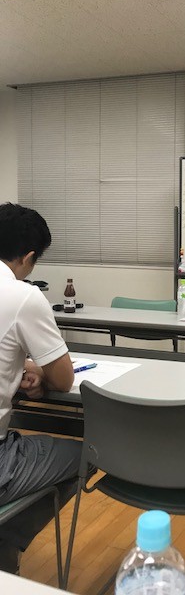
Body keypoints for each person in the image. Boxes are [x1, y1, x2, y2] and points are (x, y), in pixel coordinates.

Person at [0, 202, 82, 574]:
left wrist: (19, 368)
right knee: (86, 456)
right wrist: (39, 370)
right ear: (29, 257)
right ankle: (6, 550)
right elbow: (64, 380)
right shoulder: (23, 295)